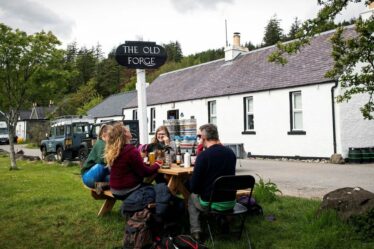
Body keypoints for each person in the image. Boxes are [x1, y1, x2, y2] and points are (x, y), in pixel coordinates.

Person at [188, 124, 236, 241]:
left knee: (191, 197)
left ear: (204, 138)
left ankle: (196, 231)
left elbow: (194, 187)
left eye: (199, 136)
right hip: (230, 202)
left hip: (210, 203)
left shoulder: (204, 156)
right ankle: (221, 220)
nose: (199, 139)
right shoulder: (231, 153)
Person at [105, 122, 161, 200]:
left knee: (151, 188)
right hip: (127, 190)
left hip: (114, 190)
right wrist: (157, 164)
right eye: (127, 130)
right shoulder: (131, 150)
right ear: (125, 134)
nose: (129, 131)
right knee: (160, 190)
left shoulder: (113, 150)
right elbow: (145, 173)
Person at [81, 124, 112, 188]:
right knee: (102, 165)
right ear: (104, 134)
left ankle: (102, 185)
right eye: (111, 136)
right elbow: (102, 161)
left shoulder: (108, 145)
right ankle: (103, 184)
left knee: (114, 179)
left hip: (98, 177)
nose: (112, 138)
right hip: (88, 176)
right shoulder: (100, 143)